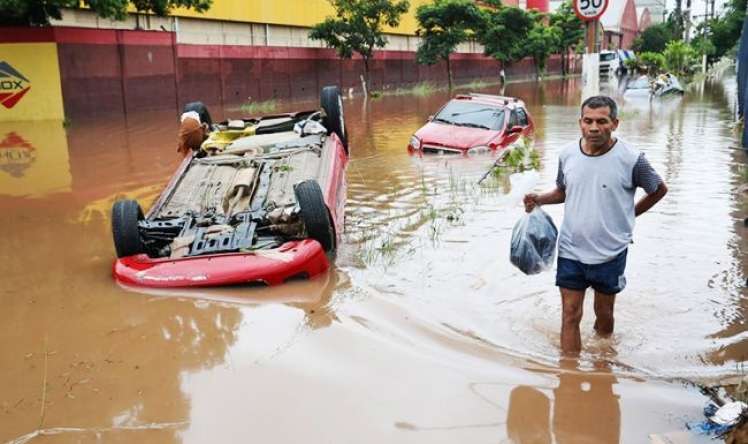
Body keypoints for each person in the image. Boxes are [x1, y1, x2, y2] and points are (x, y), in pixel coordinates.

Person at [523, 95, 668, 356]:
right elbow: (563, 190)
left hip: (610, 252)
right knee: (570, 314)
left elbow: (658, 189)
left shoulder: (632, 159)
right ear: (580, 123)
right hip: (571, 249)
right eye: (588, 121)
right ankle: (569, 374)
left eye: (601, 121)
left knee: (604, 315)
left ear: (615, 123)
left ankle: (603, 363)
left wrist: (630, 215)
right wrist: (538, 199)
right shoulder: (567, 154)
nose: (593, 128)